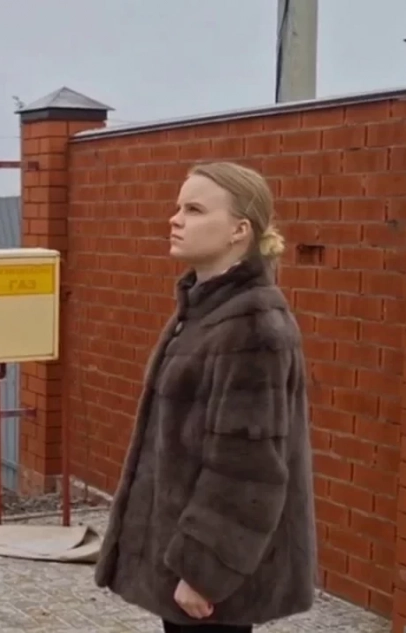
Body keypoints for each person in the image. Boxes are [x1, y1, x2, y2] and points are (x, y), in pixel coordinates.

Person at [93, 161, 317, 633]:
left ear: (240, 230)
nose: (175, 220)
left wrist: (203, 571)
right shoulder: (203, 311)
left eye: (194, 210)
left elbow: (249, 468)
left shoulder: (251, 326)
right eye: (178, 207)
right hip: (182, 556)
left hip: (213, 576)